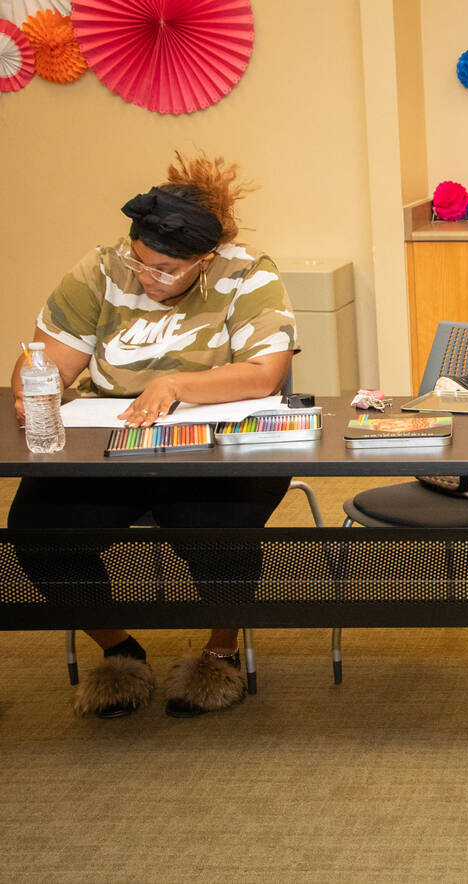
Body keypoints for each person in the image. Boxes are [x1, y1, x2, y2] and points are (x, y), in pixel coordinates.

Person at [7, 152, 297, 719]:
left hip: (215, 442)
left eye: (166, 270)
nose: (147, 277)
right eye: (139, 261)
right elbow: (50, 361)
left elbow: (266, 373)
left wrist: (176, 384)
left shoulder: (246, 273)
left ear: (204, 261)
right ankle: (119, 649)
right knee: (37, 531)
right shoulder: (98, 269)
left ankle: (220, 650)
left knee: (218, 533)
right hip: (109, 446)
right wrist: (34, 388)